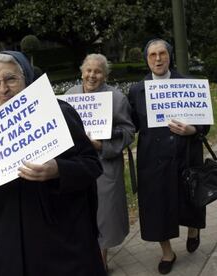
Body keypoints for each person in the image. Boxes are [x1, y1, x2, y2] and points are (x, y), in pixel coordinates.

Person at [0, 51, 106, 276]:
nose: (2, 89)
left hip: (60, 242)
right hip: (11, 244)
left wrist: (58, 170)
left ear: (27, 80)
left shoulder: (60, 112)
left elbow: (91, 164)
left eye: (10, 79)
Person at [127, 39, 211, 274]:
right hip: (153, 157)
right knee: (157, 206)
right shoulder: (136, 90)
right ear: (147, 59)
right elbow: (131, 124)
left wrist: (193, 129)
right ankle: (167, 252)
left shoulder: (189, 84)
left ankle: (193, 228)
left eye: (162, 53)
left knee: (190, 197)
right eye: (152, 55)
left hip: (185, 152)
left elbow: (205, 120)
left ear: (170, 56)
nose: (158, 59)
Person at [65, 53, 135, 269]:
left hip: (105, 164)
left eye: (97, 71)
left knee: (104, 214)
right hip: (76, 165)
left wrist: (101, 145)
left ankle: (101, 261)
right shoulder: (69, 96)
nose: (92, 75)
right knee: (78, 212)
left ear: (105, 75)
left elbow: (129, 131)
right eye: (88, 70)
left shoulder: (116, 99)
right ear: (81, 71)